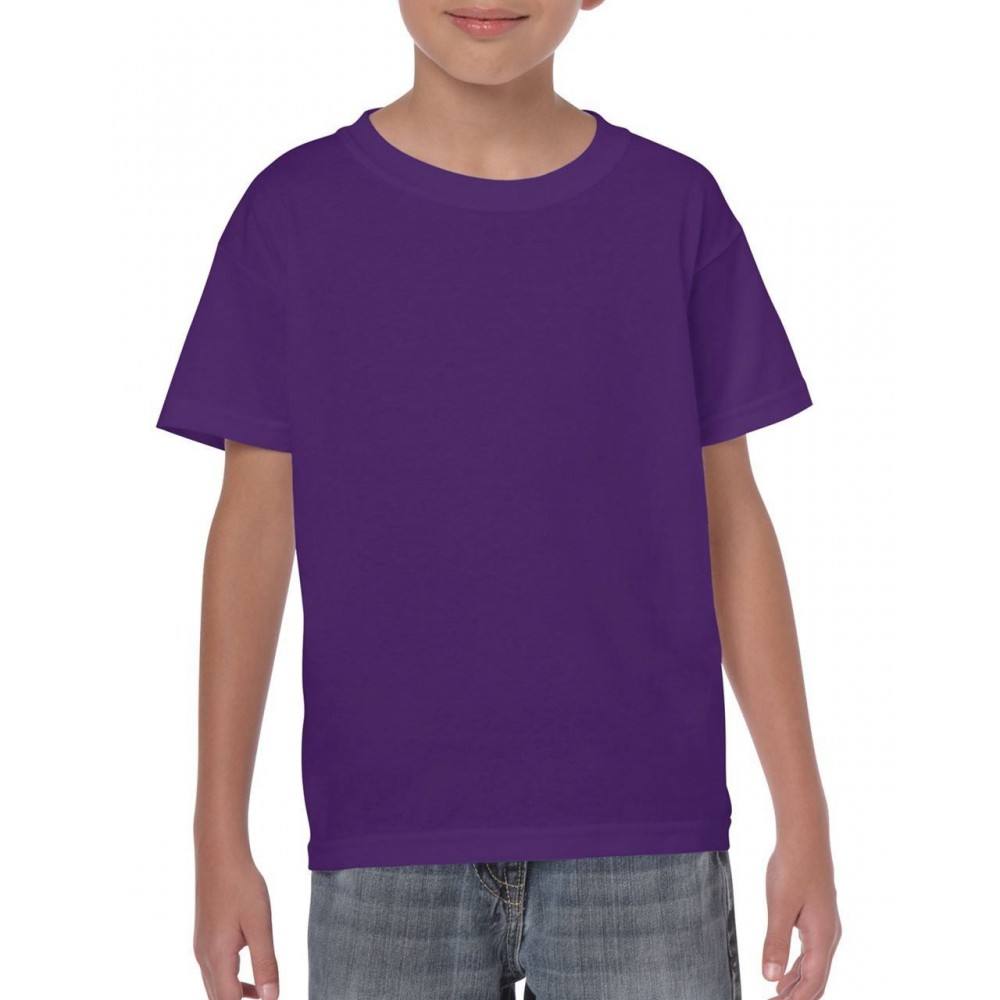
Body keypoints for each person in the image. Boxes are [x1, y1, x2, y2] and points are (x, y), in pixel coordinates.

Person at [156, 2, 842, 998]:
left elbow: (731, 526)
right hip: (383, 837)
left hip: (644, 830)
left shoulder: (672, 208)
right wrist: (217, 835)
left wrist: (804, 817)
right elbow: (252, 533)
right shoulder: (294, 214)